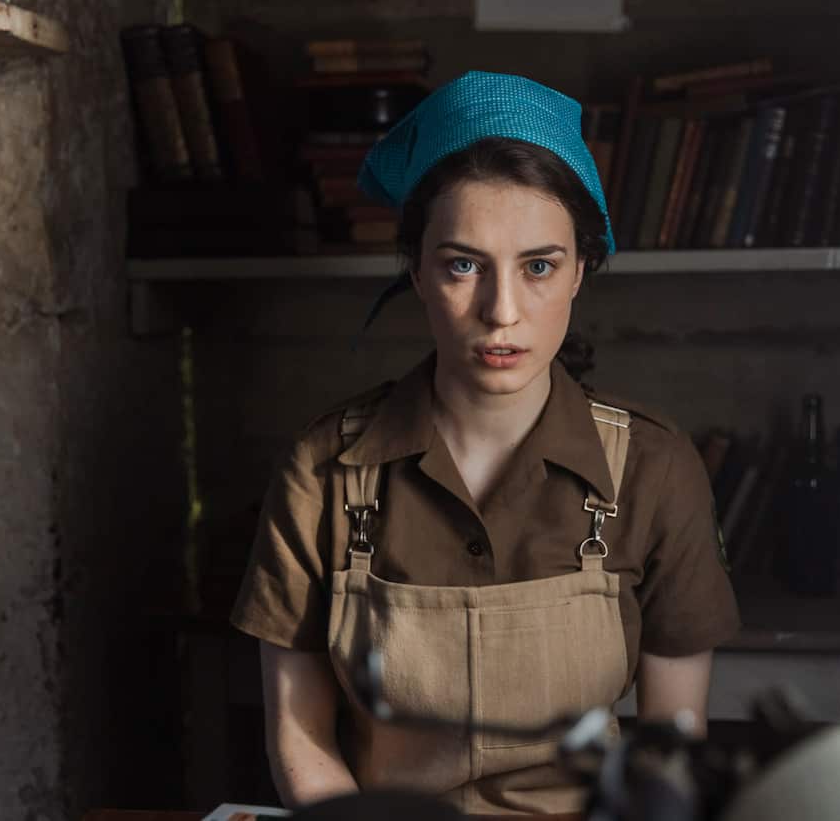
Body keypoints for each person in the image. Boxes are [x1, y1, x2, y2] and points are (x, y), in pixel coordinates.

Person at [230, 70, 740, 815]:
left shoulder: (656, 469)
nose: (502, 311)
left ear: (581, 273)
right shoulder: (321, 471)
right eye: (463, 264)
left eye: (540, 266)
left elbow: (672, 742)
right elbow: (301, 736)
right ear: (415, 269)